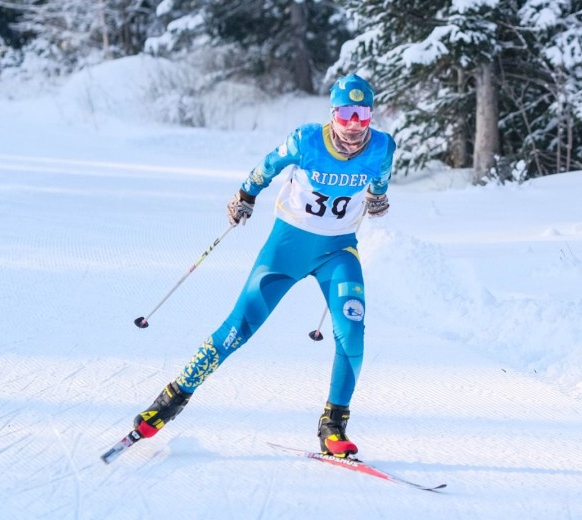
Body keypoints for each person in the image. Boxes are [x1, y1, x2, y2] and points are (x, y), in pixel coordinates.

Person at [133, 74, 395, 458]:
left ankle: (333, 425)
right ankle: (172, 398)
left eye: (363, 114)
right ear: (333, 113)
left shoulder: (383, 147)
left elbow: (382, 179)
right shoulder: (306, 140)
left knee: (352, 333)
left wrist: (378, 198)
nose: (354, 124)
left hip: (339, 252)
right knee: (238, 328)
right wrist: (245, 195)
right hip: (287, 248)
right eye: (346, 114)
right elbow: (267, 166)